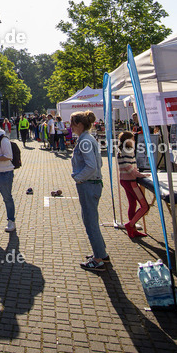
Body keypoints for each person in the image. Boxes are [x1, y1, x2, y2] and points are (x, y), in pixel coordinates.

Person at [71, 111, 109, 271]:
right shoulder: (88, 138)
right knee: (91, 220)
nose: (70, 127)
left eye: (73, 123)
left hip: (88, 184)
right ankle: (100, 252)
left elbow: (92, 165)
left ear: (79, 125)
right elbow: (98, 163)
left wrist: (79, 177)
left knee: (90, 222)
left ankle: (98, 259)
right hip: (92, 183)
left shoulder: (85, 140)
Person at [117, 131, 149, 239]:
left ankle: (133, 229)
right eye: (133, 139)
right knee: (145, 206)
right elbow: (128, 166)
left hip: (124, 179)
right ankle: (130, 225)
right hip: (130, 180)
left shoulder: (121, 150)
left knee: (132, 204)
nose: (134, 141)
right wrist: (140, 175)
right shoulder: (128, 151)